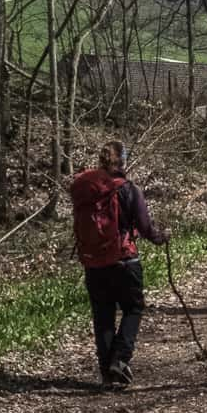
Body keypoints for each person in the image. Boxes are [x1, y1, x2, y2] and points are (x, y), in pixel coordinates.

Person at [69, 140, 170, 388]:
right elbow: (146, 227)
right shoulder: (128, 189)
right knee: (133, 309)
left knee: (103, 316)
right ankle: (120, 359)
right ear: (122, 161)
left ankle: (107, 373)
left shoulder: (87, 190)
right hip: (125, 261)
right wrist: (161, 237)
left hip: (94, 264)